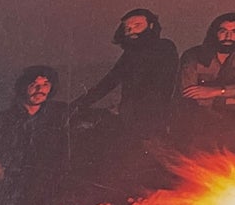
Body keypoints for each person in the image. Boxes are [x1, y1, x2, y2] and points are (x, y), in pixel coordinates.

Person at [0, 65, 73, 205]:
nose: (40, 90)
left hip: (52, 194)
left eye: (45, 84)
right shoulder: (3, 121)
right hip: (13, 194)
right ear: (22, 86)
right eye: (34, 85)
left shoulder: (60, 115)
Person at [71, 8, 179, 140]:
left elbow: (162, 85)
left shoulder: (164, 47)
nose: (131, 31)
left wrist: (128, 108)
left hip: (152, 119)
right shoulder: (130, 54)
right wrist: (76, 105)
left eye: (137, 25)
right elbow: (108, 82)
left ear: (151, 25)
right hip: (130, 116)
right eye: (127, 28)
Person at [176, 11, 235, 148]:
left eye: (234, 32)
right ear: (215, 32)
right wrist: (226, 100)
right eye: (223, 31)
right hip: (201, 120)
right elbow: (188, 92)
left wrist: (217, 91)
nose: (228, 36)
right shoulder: (194, 55)